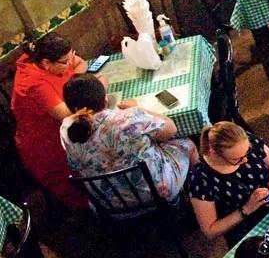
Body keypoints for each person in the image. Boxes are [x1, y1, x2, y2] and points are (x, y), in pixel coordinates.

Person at [59, 73, 196, 205]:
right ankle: (199, 190)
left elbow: (74, 165)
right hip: (157, 193)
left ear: (73, 108)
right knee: (187, 144)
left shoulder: (66, 131)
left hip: (111, 203)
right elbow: (171, 130)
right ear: (105, 99)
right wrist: (137, 108)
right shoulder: (128, 118)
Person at [11, 33, 90, 210]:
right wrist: (98, 90)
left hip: (61, 125)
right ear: (47, 63)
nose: (70, 63)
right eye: (65, 62)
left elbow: (81, 63)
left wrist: (73, 79)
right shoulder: (35, 84)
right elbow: (70, 117)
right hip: (47, 145)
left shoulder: (45, 58)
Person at [187, 121, 269, 246]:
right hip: (246, 227)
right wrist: (246, 209)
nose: (245, 160)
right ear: (214, 153)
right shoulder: (201, 179)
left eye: (247, 152)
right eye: (237, 159)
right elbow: (210, 231)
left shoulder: (244, 144)